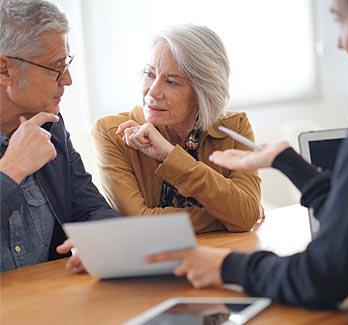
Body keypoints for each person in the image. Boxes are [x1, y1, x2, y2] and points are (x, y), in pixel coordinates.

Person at [145, 0, 348, 322]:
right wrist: (288, 163)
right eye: (150, 74)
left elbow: (323, 275)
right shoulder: (115, 130)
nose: (339, 41)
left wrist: (227, 265)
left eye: (340, 21)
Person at [92, 24, 264, 233]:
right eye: (149, 74)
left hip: (217, 255)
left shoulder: (234, 127)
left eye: (171, 82)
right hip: (153, 262)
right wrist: (228, 216)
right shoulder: (112, 133)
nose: (152, 92)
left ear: (203, 93)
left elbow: (245, 214)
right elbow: (139, 226)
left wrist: (170, 155)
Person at [0, 0, 120, 273]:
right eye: (55, 67)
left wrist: (98, 242)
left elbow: (90, 208)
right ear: (4, 70)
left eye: (66, 63)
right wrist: (11, 172)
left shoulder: (50, 125)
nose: (67, 80)